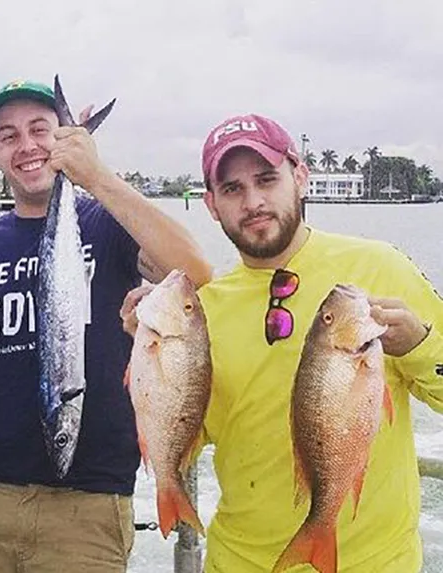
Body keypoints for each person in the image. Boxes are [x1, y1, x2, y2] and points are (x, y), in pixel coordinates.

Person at [0, 79, 212, 572]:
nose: (27, 146)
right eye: (8, 136)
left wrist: (96, 176)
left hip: (88, 505)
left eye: (40, 129)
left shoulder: (108, 226)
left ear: (62, 137)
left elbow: (196, 272)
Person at [122, 113, 443, 572]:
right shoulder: (200, 311)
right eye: (232, 189)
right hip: (237, 562)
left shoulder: (381, 267)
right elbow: (187, 434)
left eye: (267, 179)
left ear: (300, 176)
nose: (253, 201)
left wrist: (418, 344)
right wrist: (154, 364)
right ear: (211, 205)